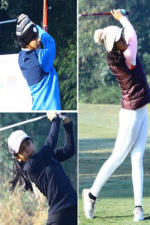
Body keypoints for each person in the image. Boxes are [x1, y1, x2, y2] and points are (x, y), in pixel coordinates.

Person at [82, 9, 150, 222]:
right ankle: (91, 195)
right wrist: (122, 18)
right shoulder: (124, 57)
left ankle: (138, 208)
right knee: (117, 157)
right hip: (130, 114)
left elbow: (129, 35)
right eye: (120, 40)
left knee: (137, 158)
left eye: (121, 36)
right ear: (115, 47)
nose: (124, 40)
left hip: (141, 110)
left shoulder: (121, 51)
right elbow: (133, 35)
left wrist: (120, 21)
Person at [7, 112, 77, 225]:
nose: (28, 150)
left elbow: (69, 150)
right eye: (22, 150)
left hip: (72, 209)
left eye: (28, 144)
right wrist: (55, 120)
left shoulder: (47, 157)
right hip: (60, 216)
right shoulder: (31, 166)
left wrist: (66, 121)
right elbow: (50, 143)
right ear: (17, 157)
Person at [16, 14, 61, 110]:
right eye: (35, 38)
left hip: (38, 107)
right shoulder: (41, 59)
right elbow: (50, 42)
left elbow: (26, 40)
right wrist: (35, 25)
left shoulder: (21, 57)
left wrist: (27, 25)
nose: (39, 39)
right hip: (49, 109)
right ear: (27, 41)